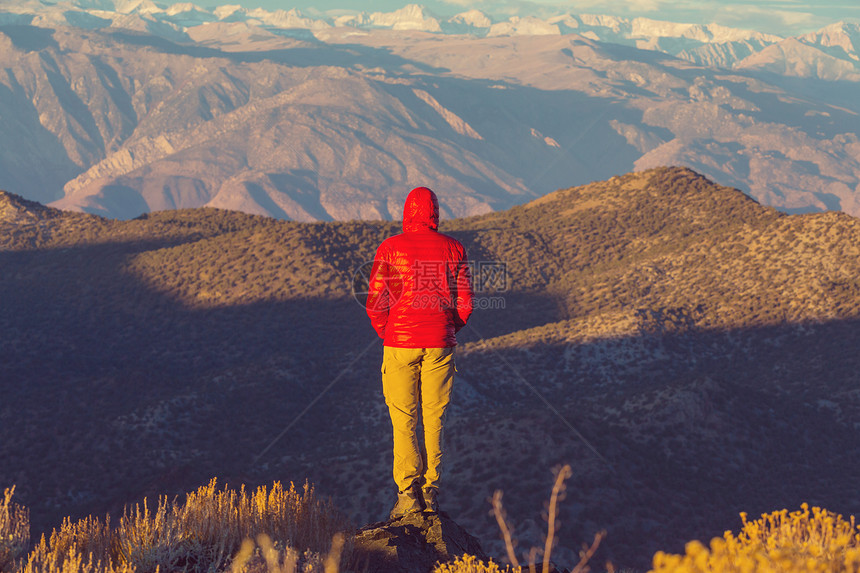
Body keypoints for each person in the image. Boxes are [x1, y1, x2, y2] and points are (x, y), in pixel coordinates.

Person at [366, 186, 473, 519]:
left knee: (403, 419)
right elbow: (465, 305)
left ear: (406, 212)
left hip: (399, 344)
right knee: (435, 418)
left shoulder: (391, 248)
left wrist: (390, 332)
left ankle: (407, 495)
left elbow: (375, 303)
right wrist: (446, 328)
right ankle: (431, 490)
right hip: (440, 343)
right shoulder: (455, 249)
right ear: (435, 213)